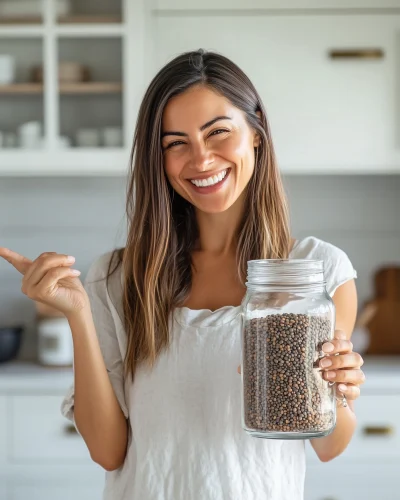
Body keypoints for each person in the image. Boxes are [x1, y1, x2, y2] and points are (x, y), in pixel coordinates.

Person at [0, 49, 365, 500]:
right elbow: (109, 452)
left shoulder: (315, 273)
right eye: (176, 143)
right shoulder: (117, 278)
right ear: (159, 158)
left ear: (256, 133)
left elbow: (331, 445)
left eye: (218, 133)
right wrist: (79, 315)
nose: (202, 159)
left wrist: (333, 389)